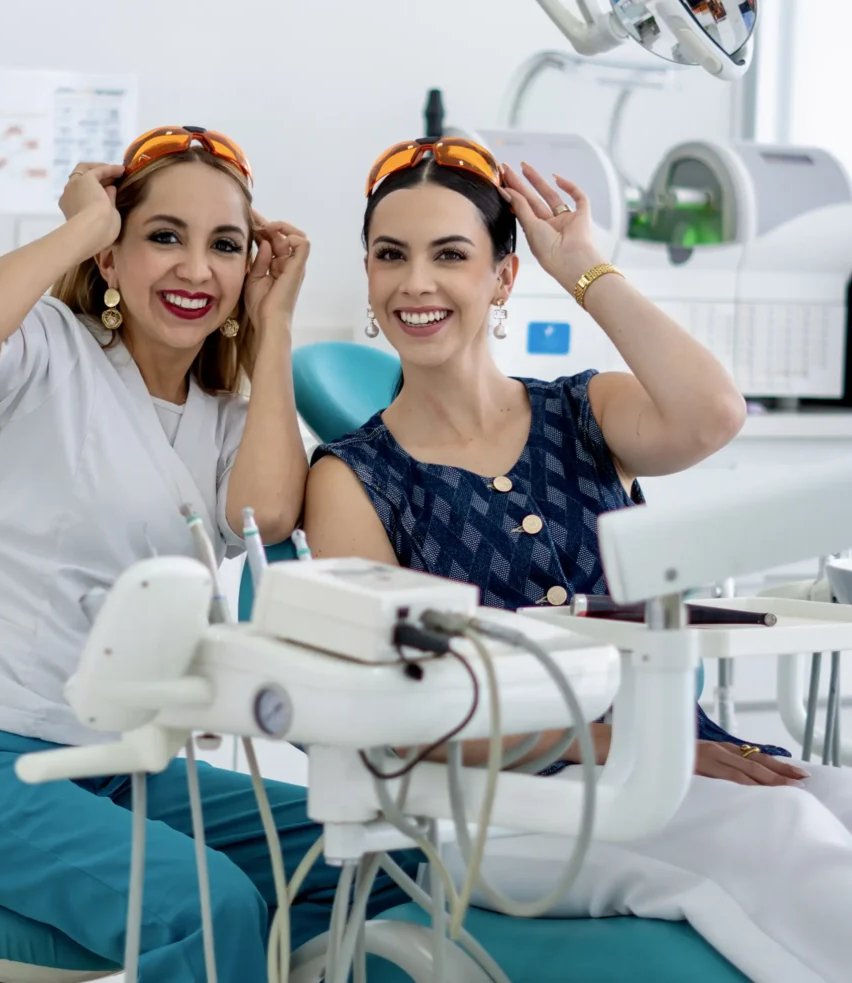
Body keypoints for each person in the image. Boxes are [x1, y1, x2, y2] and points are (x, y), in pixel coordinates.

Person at [0, 126, 412, 983]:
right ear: (112, 257)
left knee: (375, 857)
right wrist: (84, 224)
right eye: (163, 236)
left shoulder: (225, 415)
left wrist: (274, 325)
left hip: (113, 766)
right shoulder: (48, 349)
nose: (196, 269)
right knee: (208, 905)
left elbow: (264, 515)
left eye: (224, 245)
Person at [303, 136, 852, 983]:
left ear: (503, 277)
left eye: (450, 255)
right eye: (391, 255)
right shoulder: (353, 478)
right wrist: (625, 744)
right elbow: (404, 715)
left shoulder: (582, 412)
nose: (416, 282)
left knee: (837, 798)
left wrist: (582, 268)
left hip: (668, 763)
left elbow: (713, 412)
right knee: (780, 833)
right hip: (504, 809)